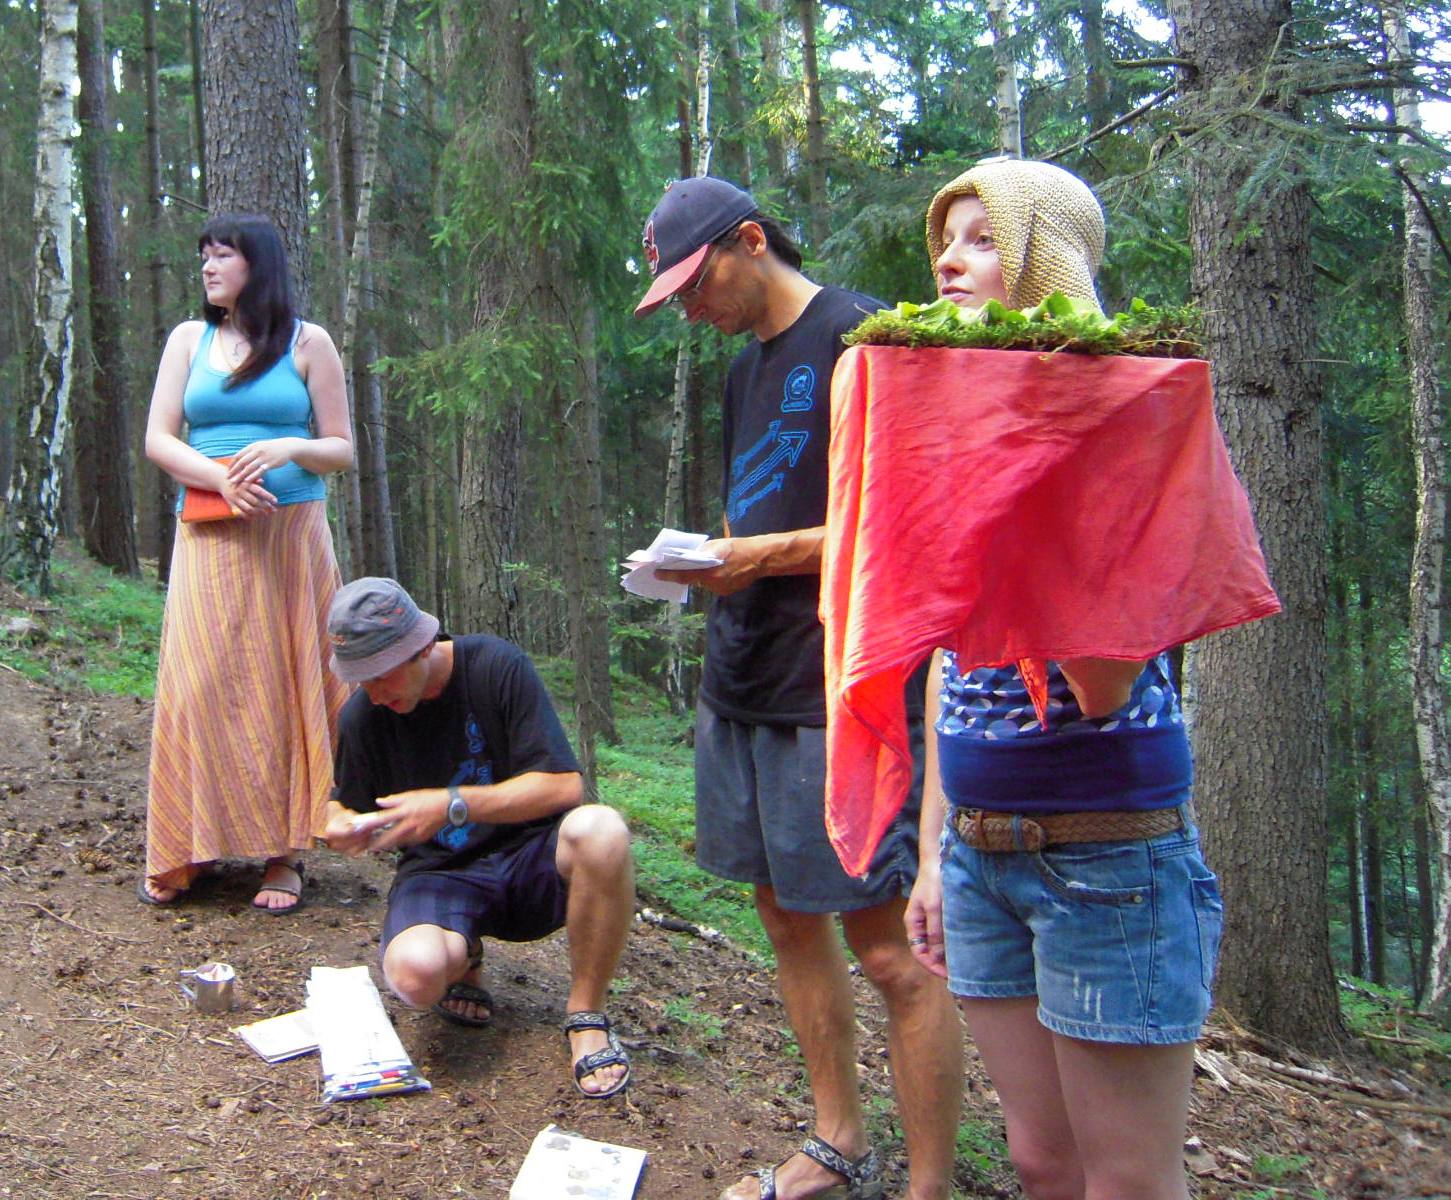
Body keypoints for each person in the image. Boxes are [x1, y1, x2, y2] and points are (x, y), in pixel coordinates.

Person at [635, 177, 963, 1200]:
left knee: (890, 949)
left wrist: (758, 555)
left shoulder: (863, 336)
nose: (691, 310)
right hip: (743, 678)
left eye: (696, 285)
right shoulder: (745, 371)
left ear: (749, 240)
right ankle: (836, 1139)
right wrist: (704, 561)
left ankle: (928, 1185)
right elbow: (761, 516)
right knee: (783, 916)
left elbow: (905, 526)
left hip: (841, 688)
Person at [904, 157, 1224, 1200]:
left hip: (1105, 857)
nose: (948, 261)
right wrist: (933, 855)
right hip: (978, 855)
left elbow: (1103, 682)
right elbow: (950, 660)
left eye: (982, 240)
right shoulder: (948, 423)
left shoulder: (1119, 419)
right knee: (1042, 1165)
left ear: (1046, 260)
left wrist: (1019, 489)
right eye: (945, 241)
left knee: (1125, 1182)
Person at [318, 577, 636, 1099]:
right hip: (440, 871)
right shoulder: (364, 716)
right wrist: (339, 823)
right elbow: (344, 800)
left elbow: (564, 786)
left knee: (602, 830)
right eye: (360, 679)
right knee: (414, 977)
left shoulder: (494, 666)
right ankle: (464, 955)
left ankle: (586, 1015)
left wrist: (452, 804)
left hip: (529, 858)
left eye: (381, 674)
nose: (373, 693)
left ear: (422, 647)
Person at [140, 213, 352, 912]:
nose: (207, 266)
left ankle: (283, 854)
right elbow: (159, 439)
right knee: (198, 683)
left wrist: (291, 448)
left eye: (222, 255)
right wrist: (220, 478)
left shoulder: (309, 342)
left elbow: (341, 448)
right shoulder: (188, 339)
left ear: (257, 265)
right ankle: (185, 843)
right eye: (204, 255)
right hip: (209, 532)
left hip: (289, 536)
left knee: (280, 684)